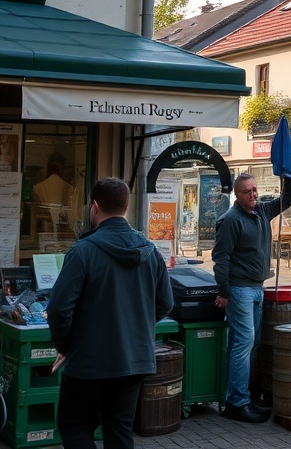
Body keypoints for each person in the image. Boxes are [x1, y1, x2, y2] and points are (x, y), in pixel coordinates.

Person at [47, 177, 173, 449]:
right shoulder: (150, 251)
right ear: (126, 206)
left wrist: (66, 345)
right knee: (119, 429)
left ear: (94, 206)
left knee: (75, 426)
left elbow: (58, 309)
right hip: (134, 359)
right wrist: (134, 329)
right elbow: (165, 303)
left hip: (89, 361)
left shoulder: (83, 251)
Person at [213, 172, 291, 422]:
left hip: (257, 288)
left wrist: (289, 176)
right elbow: (221, 257)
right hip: (240, 290)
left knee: (248, 344)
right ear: (236, 195)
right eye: (246, 191)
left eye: (254, 190)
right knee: (243, 344)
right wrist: (224, 291)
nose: (252, 195)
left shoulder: (261, 211)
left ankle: (241, 398)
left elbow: (288, 198)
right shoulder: (230, 220)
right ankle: (237, 403)